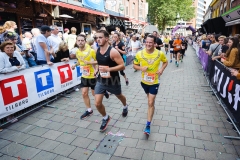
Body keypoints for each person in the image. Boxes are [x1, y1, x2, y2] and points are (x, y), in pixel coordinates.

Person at [133, 34, 168, 135]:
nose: (148, 44)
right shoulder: (139, 54)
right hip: (144, 82)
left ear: (154, 43)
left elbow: (165, 62)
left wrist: (161, 69)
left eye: (150, 42)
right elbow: (134, 65)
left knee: (150, 102)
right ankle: (151, 106)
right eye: (147, 42)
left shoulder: (159, 53)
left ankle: (148, 124)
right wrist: (140, 68)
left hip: (154, 82)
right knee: (150, 100)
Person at [94, 30, 128, 132]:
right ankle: (105, 117)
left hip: (113, 80)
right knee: (97, 103)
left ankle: (125, 106)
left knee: (119, 96)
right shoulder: (97, 51)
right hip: (101, 80)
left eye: (100, 37)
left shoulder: (113, 51)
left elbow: (122, 66)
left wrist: (109, 69)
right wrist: (96, 70)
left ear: (106, 39)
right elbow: (99, 63)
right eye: (96, 38)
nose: (98, 39)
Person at [71, 34, 98, 119]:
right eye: (78, 40)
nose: (80, 42)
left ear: (85, 41)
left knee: (94, 94)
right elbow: (80, 61)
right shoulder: (77, 51)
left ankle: (103, 91)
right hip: (84, 75)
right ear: (76, 42)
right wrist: (75, 65)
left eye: (82, 40)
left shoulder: (91, 51)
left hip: (93, 76)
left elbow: (98, 61)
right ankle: (89, 110)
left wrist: (90, 63)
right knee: (84, 93)